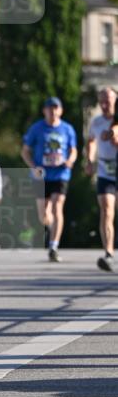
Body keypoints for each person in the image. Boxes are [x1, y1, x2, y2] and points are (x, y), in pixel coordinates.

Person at [21, 97, 77, 262]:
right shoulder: (37, 128)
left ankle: (53, 245)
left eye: (55, 108)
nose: (52, 111)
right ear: (44, 111)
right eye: (49, 108)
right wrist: (33, 167)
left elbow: (73, 150)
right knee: (43, 214)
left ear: (60, 110)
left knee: (57, 206)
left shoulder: (67, 129)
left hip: (61, 174)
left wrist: (70, 160)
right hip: (42, 176)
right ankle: (50, 226)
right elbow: (25, 151)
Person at [85, 87, 117, 271]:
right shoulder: (96, 122)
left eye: (108, 101)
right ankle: (109, 254)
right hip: (105, 171)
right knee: (106, 210)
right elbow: (91, 140)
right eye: (101, 101)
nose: (104, 105)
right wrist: (90, 159)